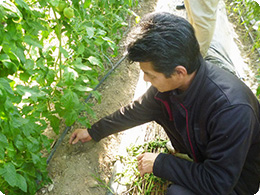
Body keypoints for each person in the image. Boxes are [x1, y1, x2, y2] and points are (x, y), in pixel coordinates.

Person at [69, 12, 260, 194]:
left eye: (151, 74)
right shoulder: (172, 87)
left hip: (234, 182)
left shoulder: (231, 110)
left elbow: (218, 182)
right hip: (205, 158)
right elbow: (135, 111)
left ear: (179, 72)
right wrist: (94, 132)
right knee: (163, 109)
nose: (144, 79)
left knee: (177, 193)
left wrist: (160, 164)